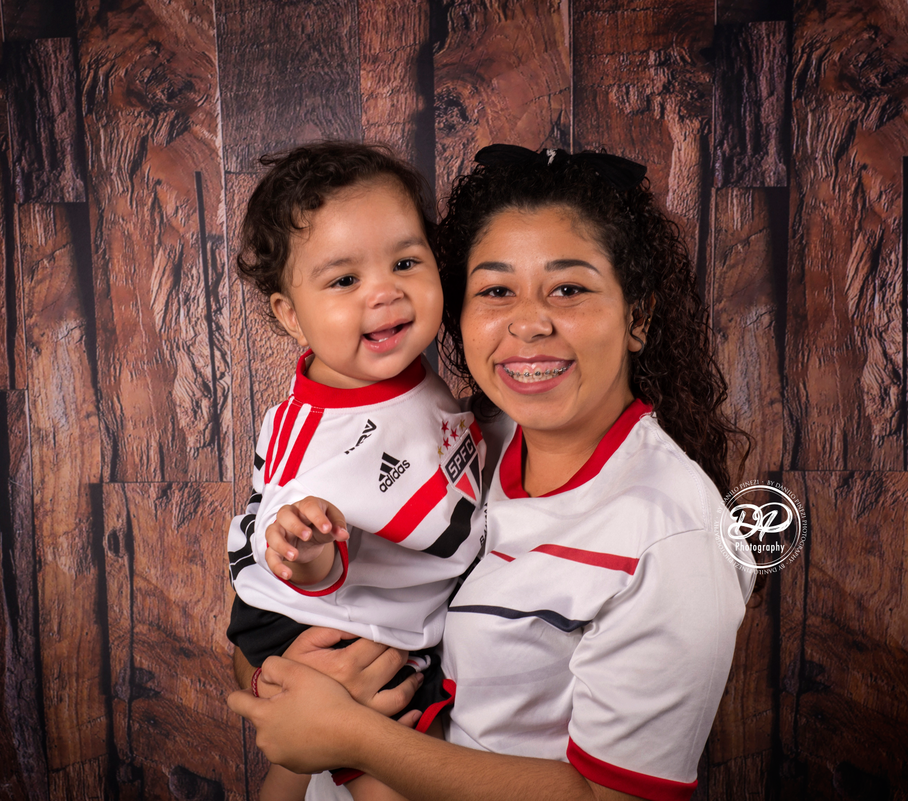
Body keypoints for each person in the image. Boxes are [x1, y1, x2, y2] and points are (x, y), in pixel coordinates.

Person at [227, 143, 757, 801]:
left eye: (569, 288)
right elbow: (266, 589)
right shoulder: (475, 433)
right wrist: (290, 676)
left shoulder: (671, 536)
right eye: (496, 289)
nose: (529, 322)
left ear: (637, 316)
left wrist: (350, 734)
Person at [225, 142, 490, 801]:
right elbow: (291, 546)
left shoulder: (390, 371)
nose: (386, 291)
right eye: (344, 280)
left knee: (303, 764)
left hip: (383, 608)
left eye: (405, 261)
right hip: (318, 615)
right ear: (290, 313)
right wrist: (308, 547)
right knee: (383, 775)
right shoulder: (324, 444)